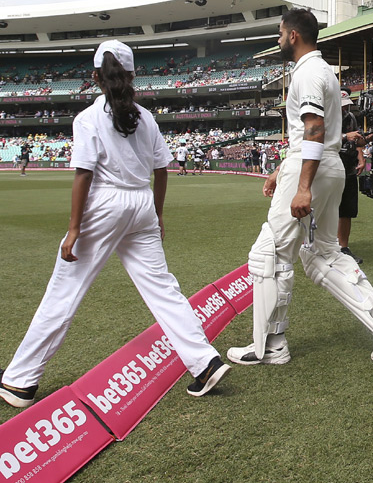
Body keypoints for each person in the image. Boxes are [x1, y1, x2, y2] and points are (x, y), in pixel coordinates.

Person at [0, 41, 229, 409]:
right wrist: (156, 214)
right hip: (141, 203)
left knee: (65, 290)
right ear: (133, 75)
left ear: (95, 77)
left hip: (106, 202)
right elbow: (161, 170)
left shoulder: (88, 118)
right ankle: (205, 362)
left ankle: (19, 382)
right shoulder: (146, 116)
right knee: (163, 290)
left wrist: (74, 228)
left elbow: (83, 176)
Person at [226, 9, 373, 367]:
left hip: (315, 165)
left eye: (279, 33)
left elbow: (314, 129)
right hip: (330, 166)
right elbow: (310, 135)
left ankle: (271, 344)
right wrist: (283, 169)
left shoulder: (307, 73)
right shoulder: (324, 71)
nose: (278, 40)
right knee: (322, 255)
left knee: (269, 254)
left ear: (293, 35)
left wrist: (301, 185)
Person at [337, 90, 367, 264]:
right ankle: (322, 245)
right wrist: (344, 136)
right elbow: (319, 138)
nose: (345, 107)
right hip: (329, 168)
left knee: (347, 210)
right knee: (326, 209)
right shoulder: (324, 116)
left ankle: (343, 247)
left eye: (347, 104)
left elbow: (356, 142)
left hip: (348, 168)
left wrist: (361, 157)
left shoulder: (351, 118)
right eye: (342, 104)